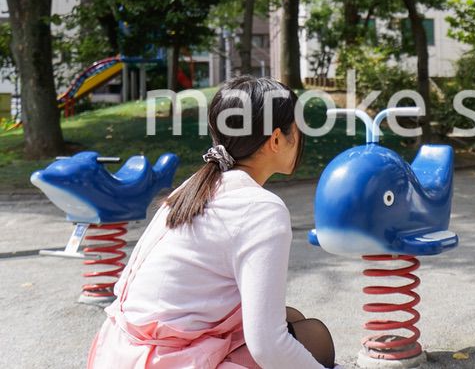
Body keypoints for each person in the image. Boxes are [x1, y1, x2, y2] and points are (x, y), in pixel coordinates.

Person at [87, 76, 339, 368]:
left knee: (292, 318)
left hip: (119, 351)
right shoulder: (260, 208)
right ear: (276, 139)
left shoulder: (195, 187)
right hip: (165, 359)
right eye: (297, 128)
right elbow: (268, 345)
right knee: (313, 338)